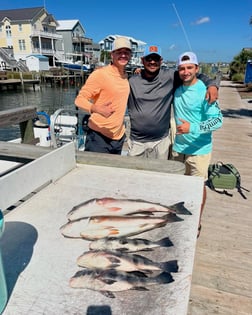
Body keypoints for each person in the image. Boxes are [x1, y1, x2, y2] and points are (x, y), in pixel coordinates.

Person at [127, 45, 219, 159]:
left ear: (161, 61)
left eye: (155, 59)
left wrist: (212, 85)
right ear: (142, 60)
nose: (152, 62)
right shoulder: (132, 81)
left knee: (161, 175)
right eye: (148, 59)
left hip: (161, 142)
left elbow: (193, 75)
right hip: (136, 142)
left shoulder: (170, 77)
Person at [172, 51, 223, 237]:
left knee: (197, 188)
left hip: (199, 151)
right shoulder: (176, 88)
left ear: (197, 69)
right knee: (178, 188)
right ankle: (179, 219)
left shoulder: (205, 91)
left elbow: (217, 121)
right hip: (178, 149)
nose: (185, 72)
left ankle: (196, 223)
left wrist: (192, 127)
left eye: (189, 68)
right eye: (182, 68)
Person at [75, 37, 132, 154]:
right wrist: (96, 108)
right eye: (119, 52)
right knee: (96, 172)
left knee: (112, 172)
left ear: (130, 55)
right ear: (112, 54)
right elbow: (79, 100)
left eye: (126, 52)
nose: (123, 55)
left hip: (118, 138)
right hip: (98, 137)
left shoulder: (126, 76)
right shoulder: (100, 74)